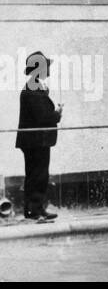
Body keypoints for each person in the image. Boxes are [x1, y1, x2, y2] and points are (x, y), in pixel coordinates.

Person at [17, 51, 62, 222]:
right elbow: (43, 117)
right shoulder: (34, 89)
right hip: (37, 141)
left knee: (35, 174)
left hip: (34, 140)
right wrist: (57, 114)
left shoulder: (34, 87)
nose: (49, 70)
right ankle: (35, 210)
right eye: (46, 67)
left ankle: (33, 210)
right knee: (39, 175)